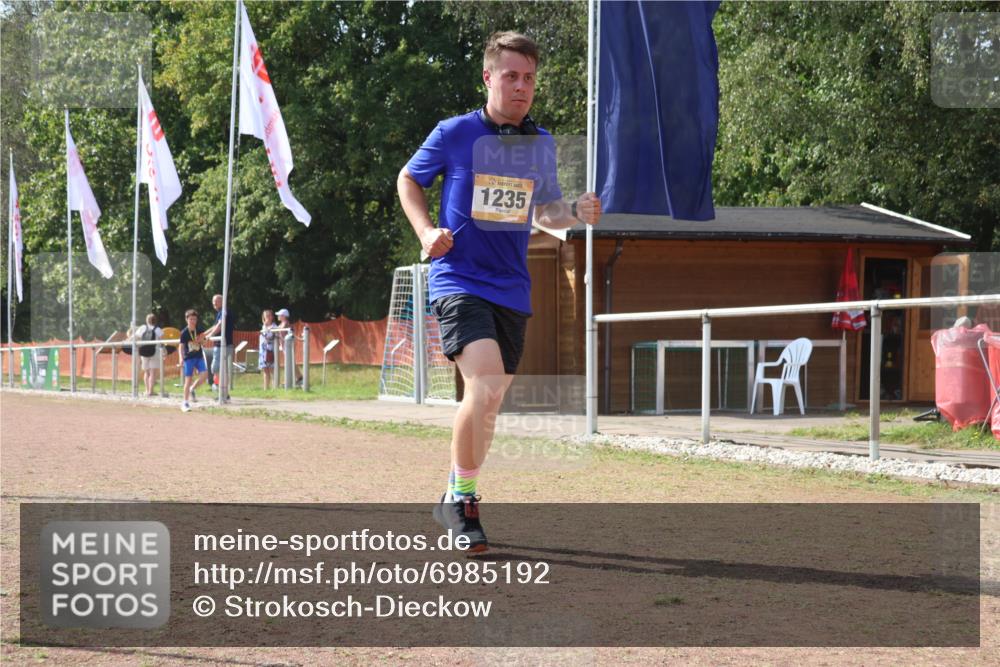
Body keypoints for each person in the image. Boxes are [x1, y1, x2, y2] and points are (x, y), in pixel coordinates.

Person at [397, 31, 601, 552]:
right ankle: (465, 503)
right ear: (488, 77)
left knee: (488, 406)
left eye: (529, 78)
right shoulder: (454, 132)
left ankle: (450, 492)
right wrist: (425, 232)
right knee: (484, 384)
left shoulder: (541, 145)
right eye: (511, 76)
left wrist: (575, 214)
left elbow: (547, 211)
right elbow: (408, 179)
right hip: (458, 278)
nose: (521, 87)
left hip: (512, 286)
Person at [203, 294, 235, 401]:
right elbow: (214, 326)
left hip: (223, 345)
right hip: (222, 345)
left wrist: (209, 336)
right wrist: (204, 335)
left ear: (222, 301)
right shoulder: (220, 313)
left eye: (216, 301)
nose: (214, 304)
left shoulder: (224, 311)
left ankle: (221, 390)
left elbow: (220, 325)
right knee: (220, 369)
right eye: (213, 302)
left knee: (216, 368)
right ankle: (223, 392)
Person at [178, 309, 209, 412]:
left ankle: (192, 388)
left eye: (194, 319)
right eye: (191, 319)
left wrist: (202, 340)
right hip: (189, 359)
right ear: (187, 319)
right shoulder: (184, 333)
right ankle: (185, 403)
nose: (193, 321)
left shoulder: (199, 330)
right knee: (188, 379)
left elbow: (204, 343)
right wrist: (181, 358)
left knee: (204, 375)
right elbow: (181, 346)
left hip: (199, 356)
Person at [134, 313, 163, 397]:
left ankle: (147, 390)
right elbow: (162, 341)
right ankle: (151, 391)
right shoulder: (158, 329)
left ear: (147, 320)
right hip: (155, 352)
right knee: (153, 372)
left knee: (146, 372)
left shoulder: (142, 328)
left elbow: (137, 337)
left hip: (144, 352)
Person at [275, 308, 302, 387]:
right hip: (284, 346)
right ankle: (299, 377)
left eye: (280, 315)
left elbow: (280, 330)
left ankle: (290, 379)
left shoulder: (285, 323)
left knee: (289, 362)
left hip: (288, 346)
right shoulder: (282, 323)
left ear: (283, 316)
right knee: (291, 362)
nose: (278, 316)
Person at [259, 309, 277, 390]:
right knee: (265, 370)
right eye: (266, 316)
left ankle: (275, 387)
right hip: (263, 351)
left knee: (272, 369)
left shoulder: (274, 327)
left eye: (269, 316)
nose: (268, 318)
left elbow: (270, 336)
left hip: (270, 350)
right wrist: (265, 326)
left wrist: (266, 328)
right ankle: (266, 388)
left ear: (272, 317)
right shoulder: (263, 326)